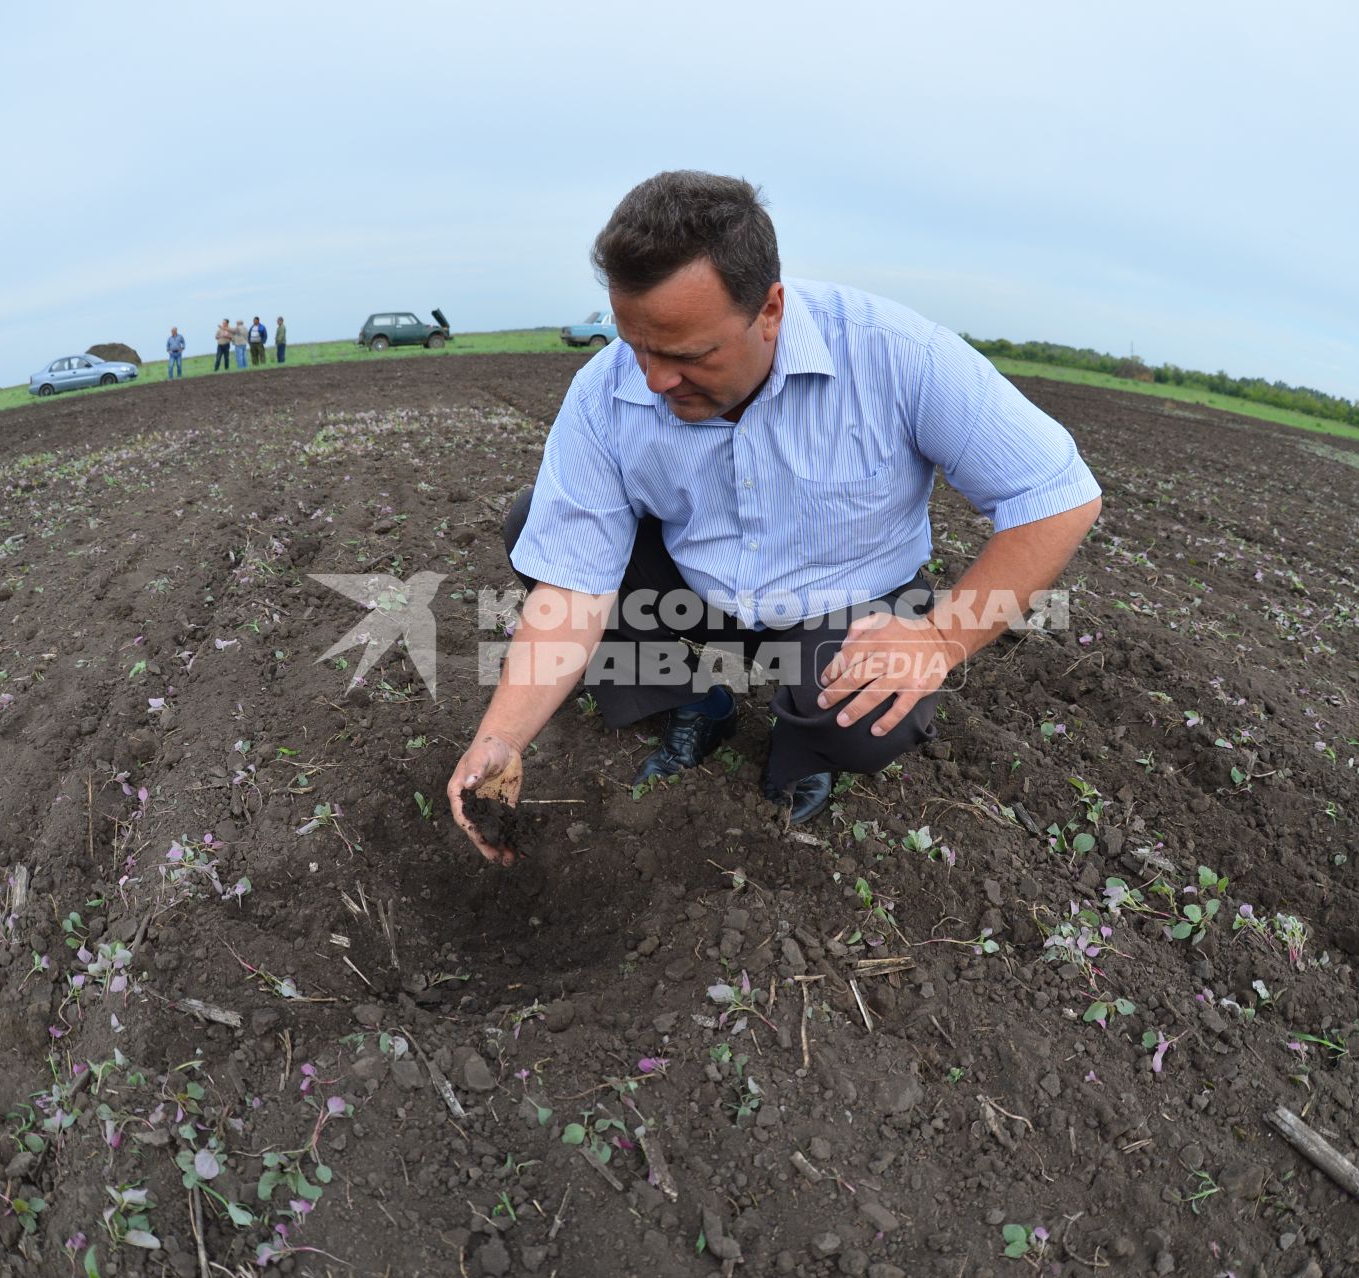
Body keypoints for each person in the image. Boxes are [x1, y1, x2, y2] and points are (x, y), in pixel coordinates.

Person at [449, 170, 1102, 864]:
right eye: (637, 345)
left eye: (688, 354)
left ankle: (803, 748)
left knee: (865, 722)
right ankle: (697, 702)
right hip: (701, 593)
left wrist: (939, 640)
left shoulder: (896, 355)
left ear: (770, 310)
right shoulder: (604, 393)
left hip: (842, 603)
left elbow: (1056, 492)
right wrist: (502, 739)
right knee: (536, 527)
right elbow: (575, 587)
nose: (654, 380)